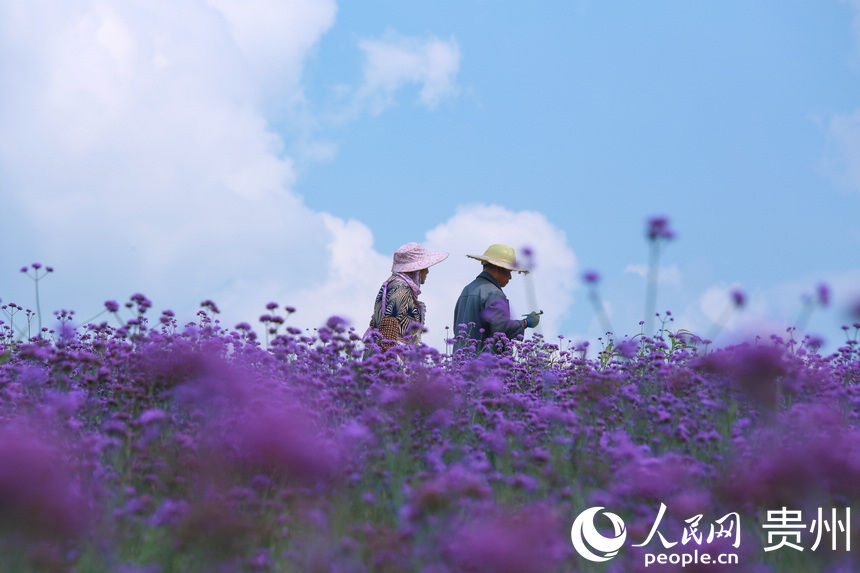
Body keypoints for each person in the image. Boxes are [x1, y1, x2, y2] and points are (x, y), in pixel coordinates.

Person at [452, 243, 541, 352]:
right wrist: (525, 323)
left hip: (461, 362)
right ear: (498, 268)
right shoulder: (494, 293)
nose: (510, 277)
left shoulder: (467, 289)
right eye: (509, 271)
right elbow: (501, 330)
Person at [365, 242, 448, 352]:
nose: (427, 272)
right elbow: (389, 323)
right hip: (394, 353)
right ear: (416, 271)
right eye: (425, 267)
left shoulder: (392, 284)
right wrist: (388, 359)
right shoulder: (401, 289)